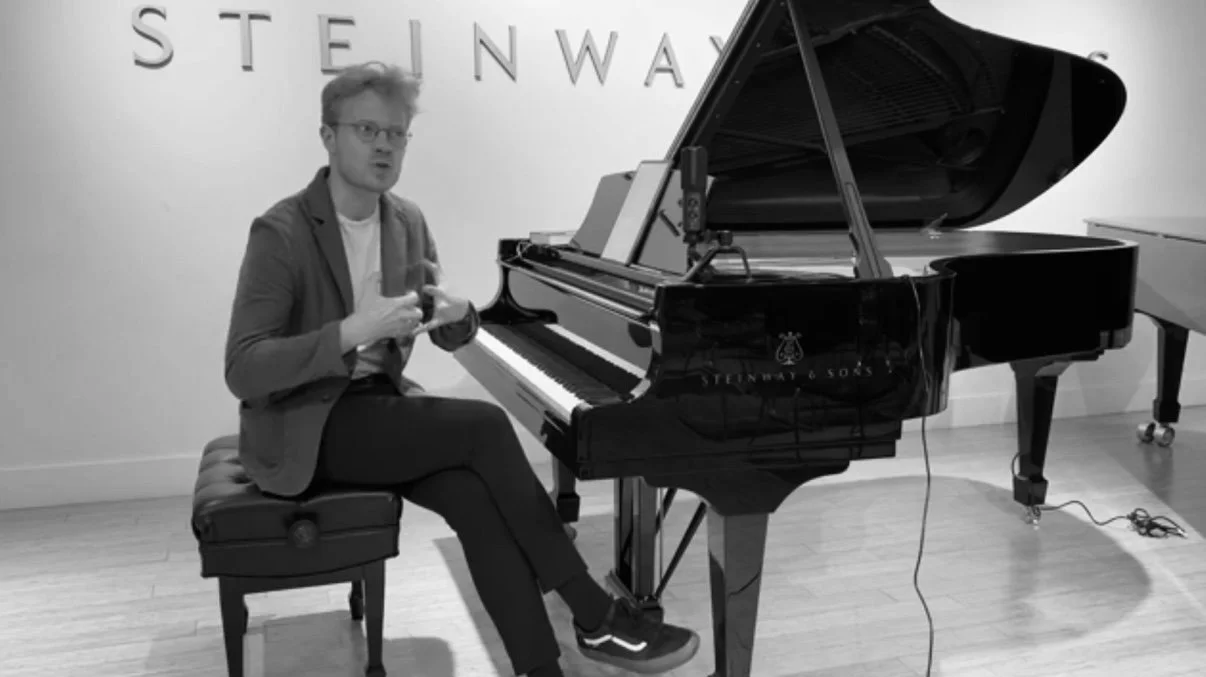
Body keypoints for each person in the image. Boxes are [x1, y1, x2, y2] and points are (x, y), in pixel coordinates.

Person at [222, 61, 700, 677]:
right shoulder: (282, 232)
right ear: (328, 136)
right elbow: (243, 367)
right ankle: (595, 615)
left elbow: (442, 326)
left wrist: (458, 315)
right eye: (367, 130)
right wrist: (351, 331)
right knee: (483, 428)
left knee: (475, 498)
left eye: (396, 134)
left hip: (376, 408)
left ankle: (541, 669)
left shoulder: (406, 222)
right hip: (305, 425)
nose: (384, 146)